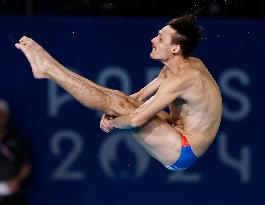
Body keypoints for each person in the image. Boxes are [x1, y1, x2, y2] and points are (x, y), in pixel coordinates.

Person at [15, 15, 222, 171]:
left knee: (118, 104)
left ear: (175, 49)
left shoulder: (184, 79)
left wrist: (113, 122)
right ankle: (47, 68)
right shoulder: (179, 66)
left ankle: (49, 69)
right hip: (176, 131)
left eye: (160, 38)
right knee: (117, 100)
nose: (153, 39)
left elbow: (135, 120)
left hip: (183, 150)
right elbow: (137, 98)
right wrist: (113, 109)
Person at [0, 100, 32, 205]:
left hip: (11, 193)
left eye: (2, 114)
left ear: (7, 116)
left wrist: (16, 180)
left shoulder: (17, 140)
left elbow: (26, 166)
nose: (0, 117)